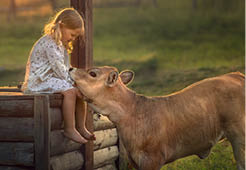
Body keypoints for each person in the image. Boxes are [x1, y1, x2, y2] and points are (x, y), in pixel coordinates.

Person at [21, 8, 95, 144]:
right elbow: (59, 69)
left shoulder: (59, 44)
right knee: (71, 92)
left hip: (51, 78)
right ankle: (69, 129)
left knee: (80, 91)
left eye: (75, 37)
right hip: (39, 82)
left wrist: (77, 81)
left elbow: (65, 68)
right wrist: (71, 84)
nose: (72, 39)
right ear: (61, 25)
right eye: (72, 35)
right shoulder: (49, 43)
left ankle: (81, 126)